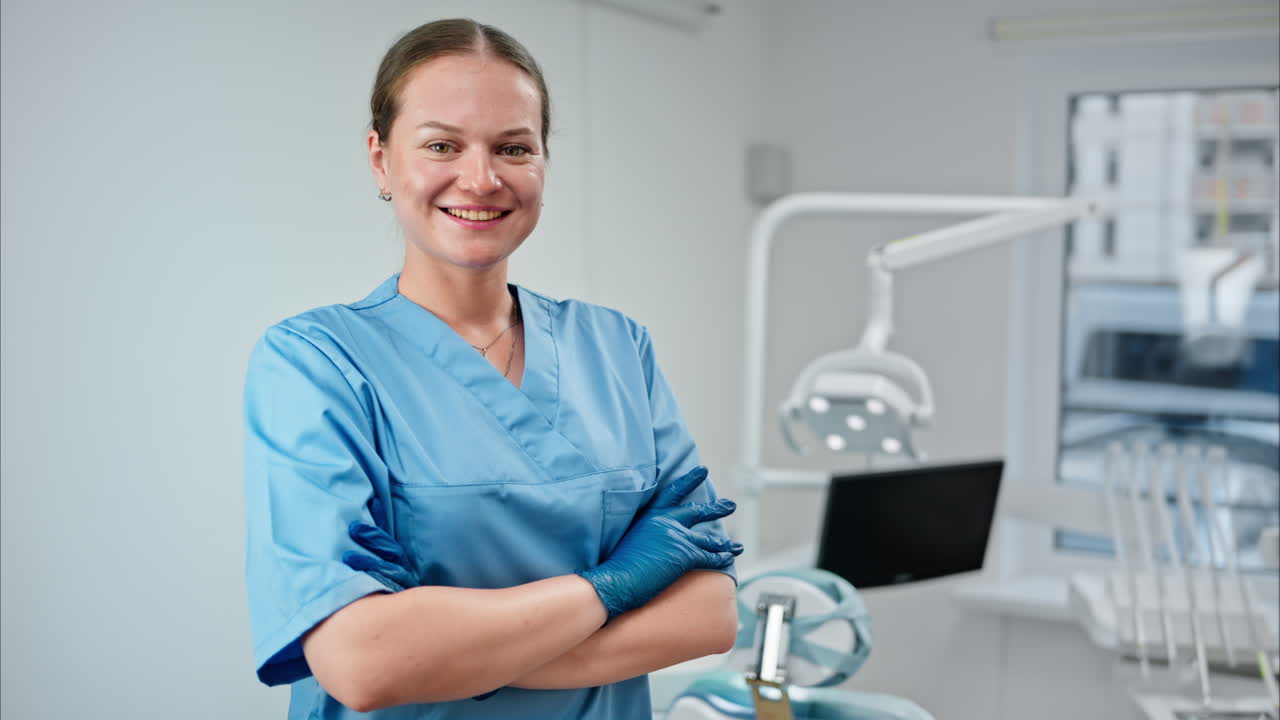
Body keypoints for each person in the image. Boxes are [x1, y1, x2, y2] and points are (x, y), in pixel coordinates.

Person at [242, 18, 743, 719]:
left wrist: (454, 657)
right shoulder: (316, 362)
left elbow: (711, 612)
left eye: (513, 147)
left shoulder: (617, 347)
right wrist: (617, 585)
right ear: (381, 160)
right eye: (442, 145)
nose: (480, 179)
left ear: (542, 162)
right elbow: (360, 662)